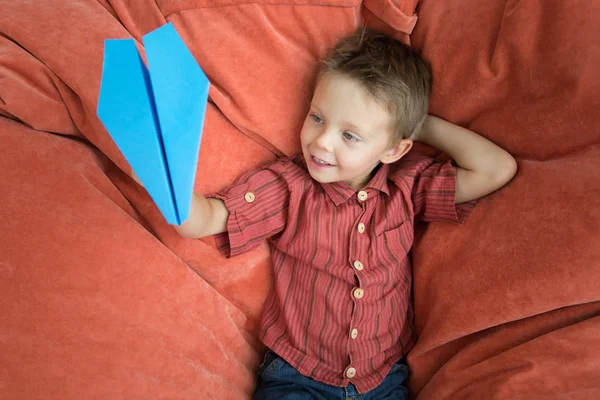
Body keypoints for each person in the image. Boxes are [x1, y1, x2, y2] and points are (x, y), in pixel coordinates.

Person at [163, 28, 517, 399]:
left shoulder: (407, 189)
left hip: (382, 382)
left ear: (394, 150)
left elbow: (496, 169)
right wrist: (167, 183)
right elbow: (205, 219)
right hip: (297, 377)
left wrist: (419, 123)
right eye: (318, 117)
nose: (322, 141)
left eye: (350, 135)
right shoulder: (287, 187)